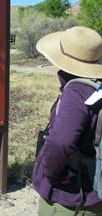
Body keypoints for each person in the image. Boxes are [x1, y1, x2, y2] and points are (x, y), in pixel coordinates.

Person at [33, 26, 102, 215]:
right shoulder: (98, 87)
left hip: (70, 199)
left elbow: (60, 143)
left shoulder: (77, 92)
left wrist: (49, 175)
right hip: (94, 192)